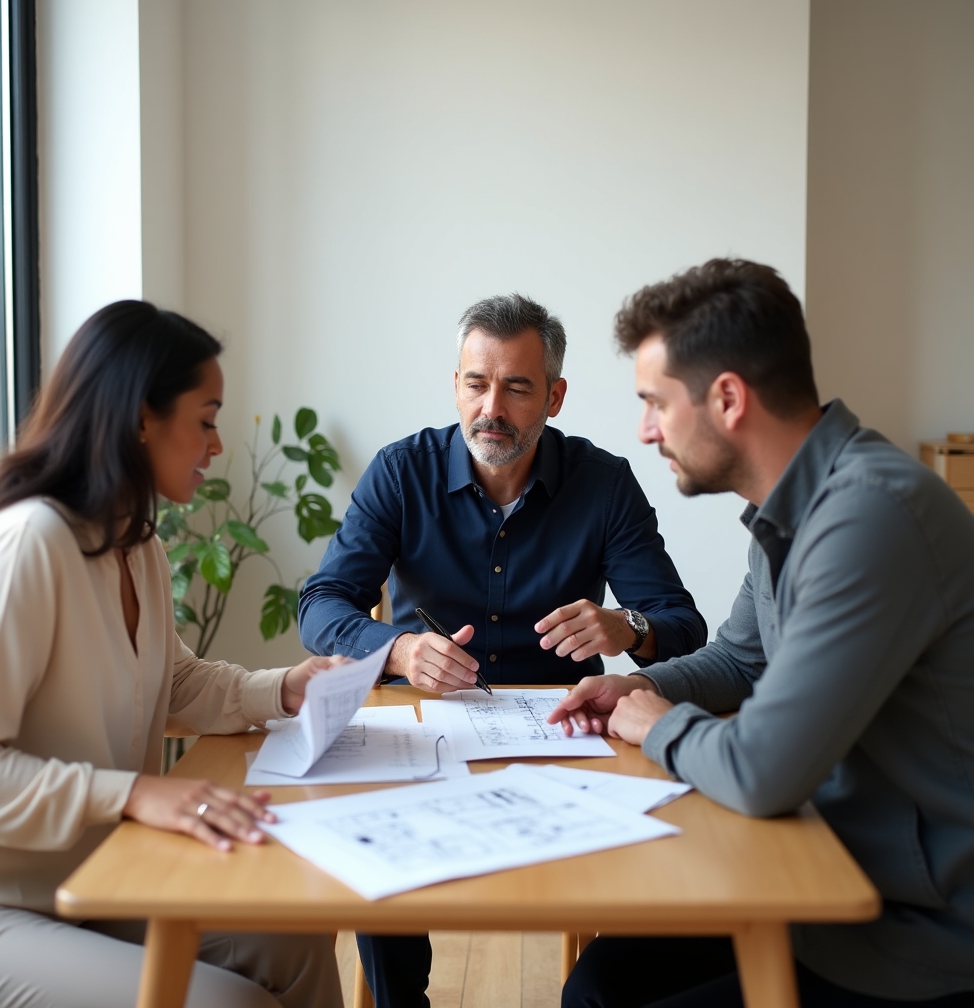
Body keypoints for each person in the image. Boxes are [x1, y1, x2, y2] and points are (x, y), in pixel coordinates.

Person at [549, 259, 974, 1007]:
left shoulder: (871, 516)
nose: (644, 431)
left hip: (918, 935)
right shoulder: (793, 508)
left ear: (728, 398)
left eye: (654, 403)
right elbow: (740, 659)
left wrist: (657, 724)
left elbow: (762, 770)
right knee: (599, 988)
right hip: (817, 871)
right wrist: (638, 684)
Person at [298, 293, 707, 1008]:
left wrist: (624, 627)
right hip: (424, 730)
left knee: (662, 851)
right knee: (371, 827)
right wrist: (398, 652)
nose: (492, 406)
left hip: (564, 737)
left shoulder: (603, 482)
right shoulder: (401, 472)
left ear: (554, 395)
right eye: (475, 382)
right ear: (455, 385)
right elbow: (322, 602)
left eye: (517, 387)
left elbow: (680, 623)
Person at [0, 301, 345, 1008]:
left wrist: (285, 687)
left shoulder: (138, 545)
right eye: (207, 418)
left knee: (295, 935)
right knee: (232, 1004)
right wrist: (132, 793)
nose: (216, 446)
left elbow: (171, 684)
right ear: (141, 419)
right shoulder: (29, 545)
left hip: (91, 875)